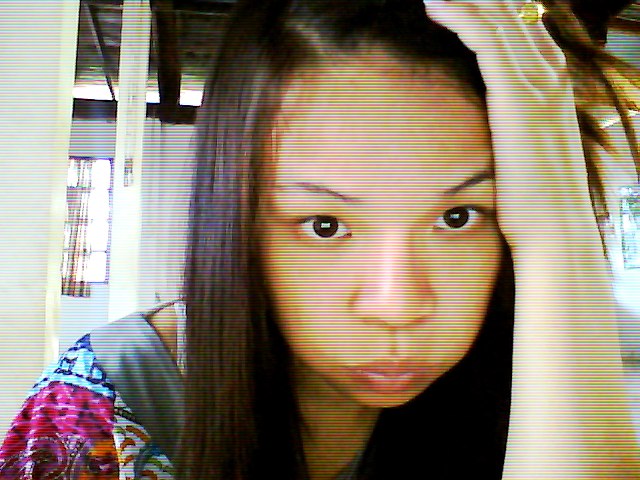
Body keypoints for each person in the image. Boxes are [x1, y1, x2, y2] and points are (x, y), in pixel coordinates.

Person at [1, 0, 639, 478]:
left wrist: (560, 230)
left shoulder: (532, 368)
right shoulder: (93, 414)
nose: (397, 305)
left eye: (459, 217)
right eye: (325, 225)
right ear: (236, 219)